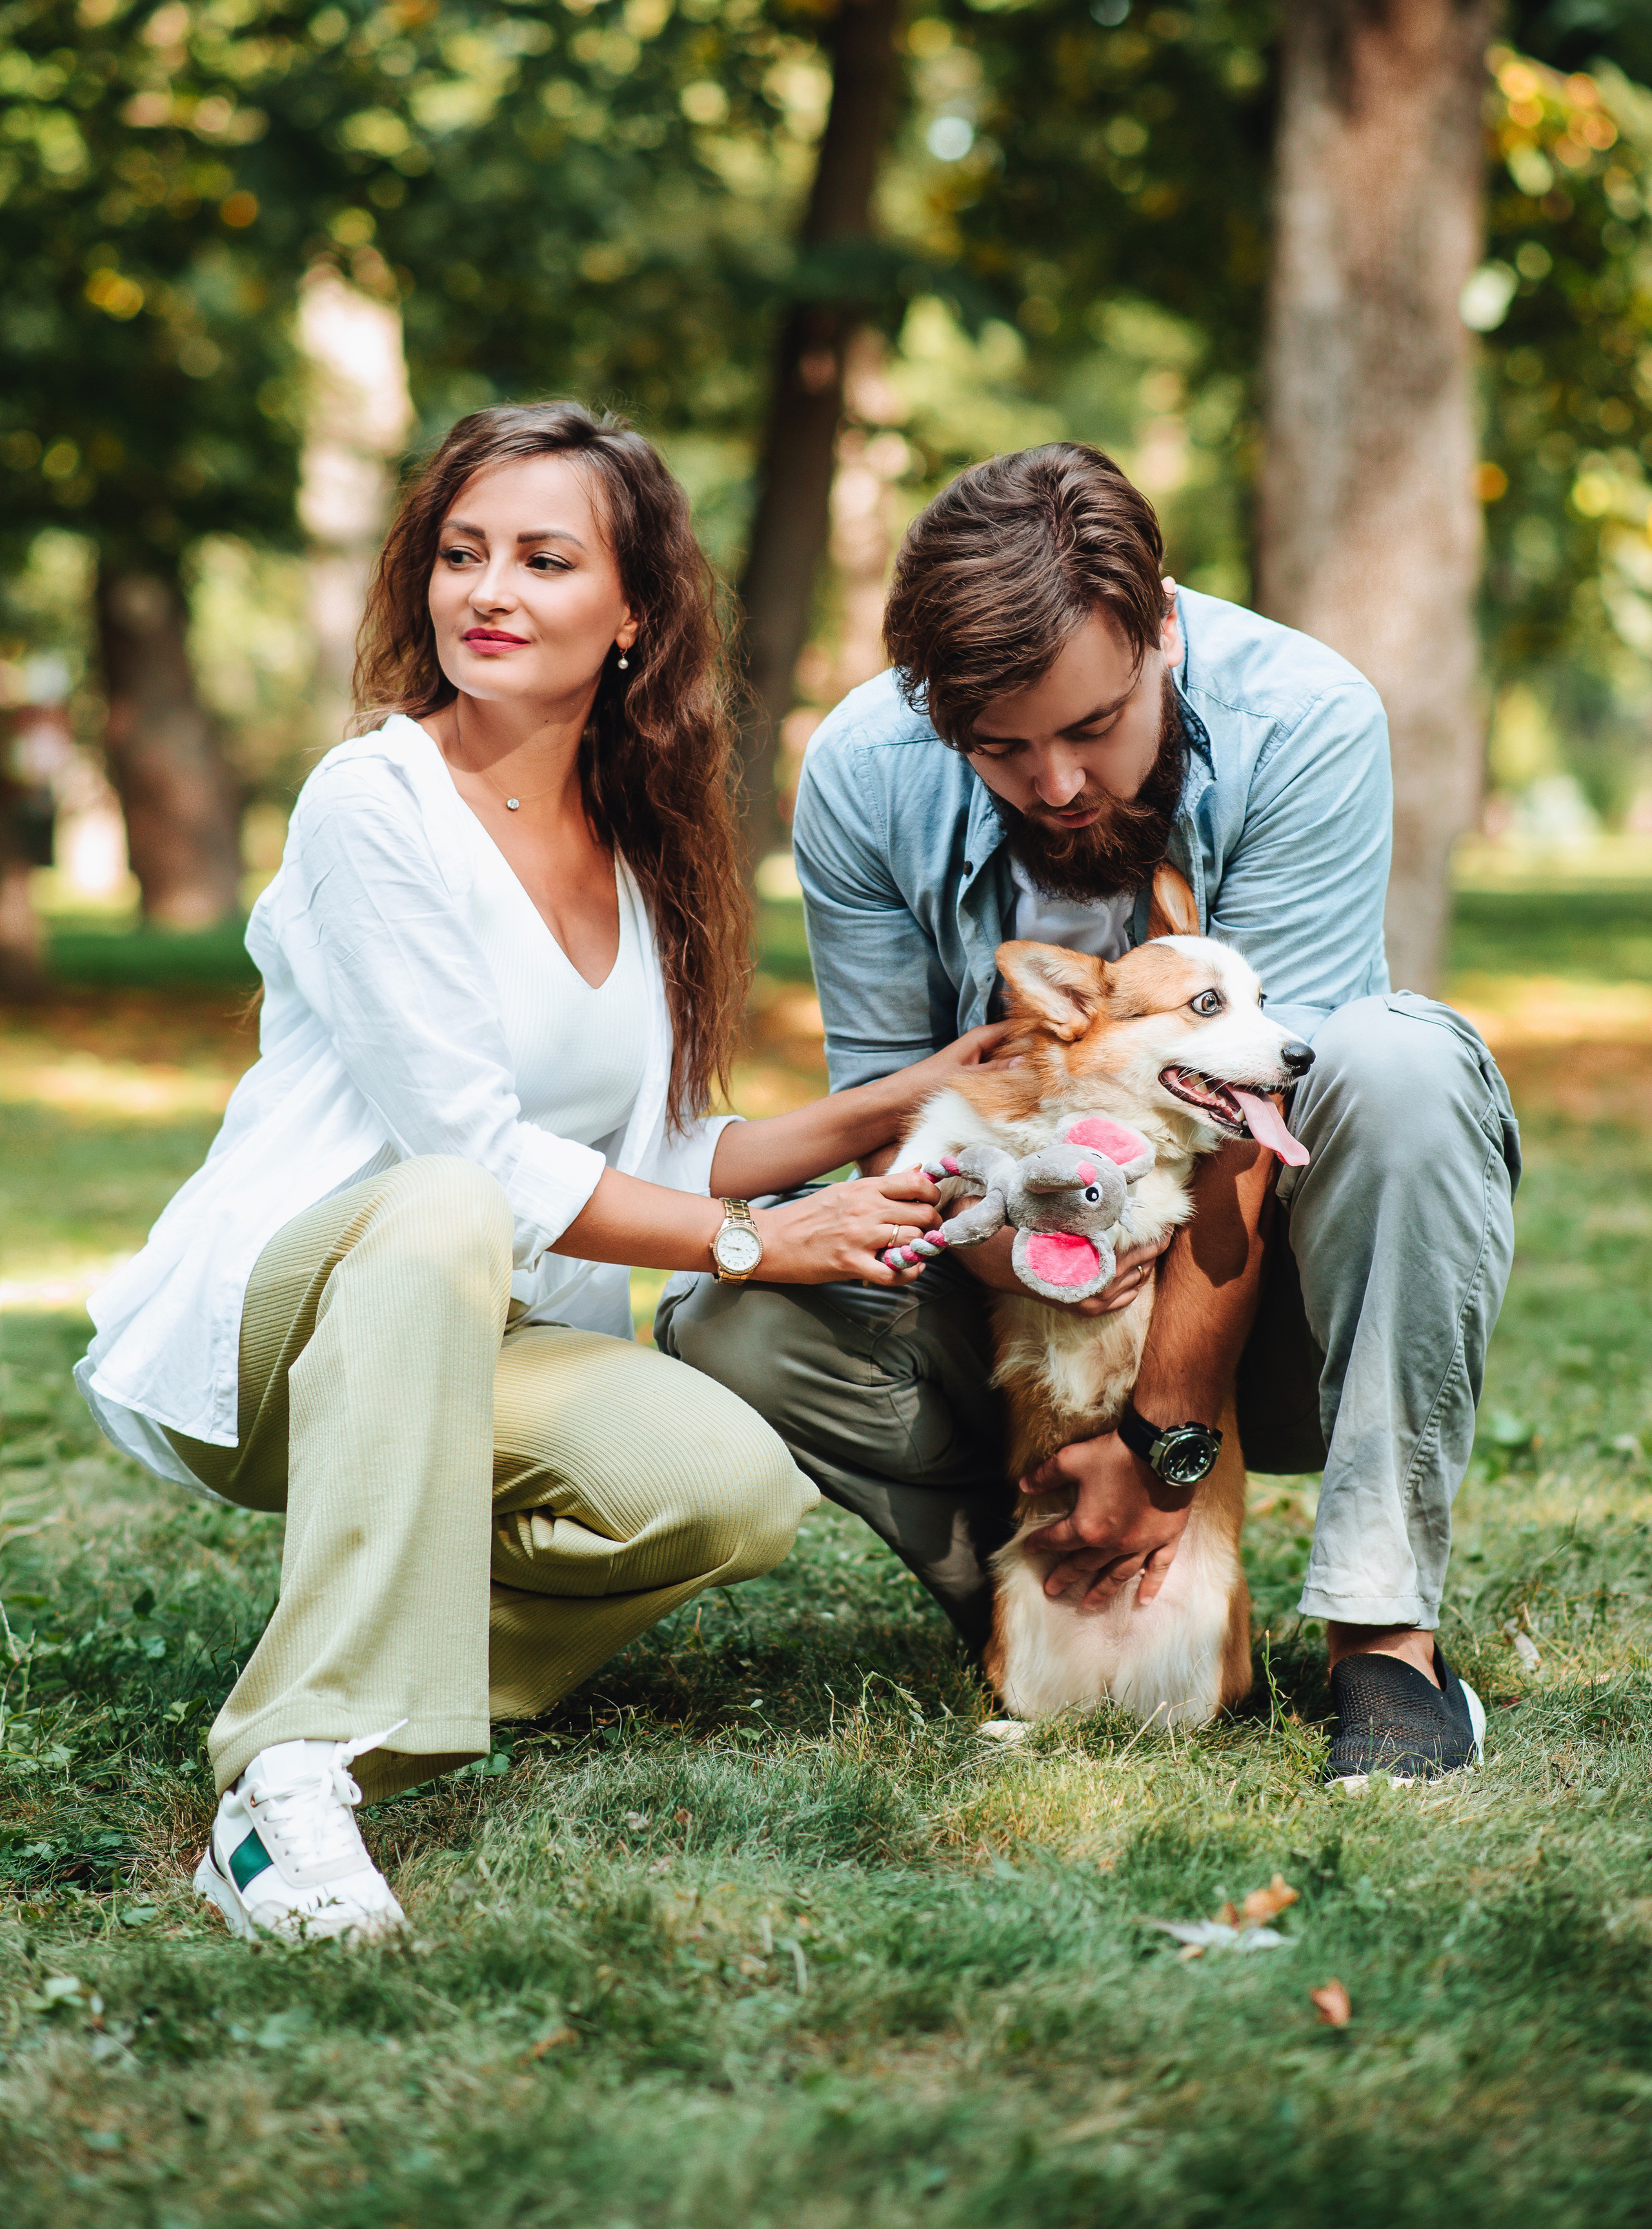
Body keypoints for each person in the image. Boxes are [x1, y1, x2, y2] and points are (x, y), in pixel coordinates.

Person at [76, 402, 992, 1944]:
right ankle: (283, 1780)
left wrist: (897, 1100)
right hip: (290, 1320)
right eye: (461, 553)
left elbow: (646, 1155)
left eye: (543, 559)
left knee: (728, 1489)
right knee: (445, 1203)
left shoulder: (636, 840)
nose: (486, 591)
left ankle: (363, 1712)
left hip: (483, 1333)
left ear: (633, 612)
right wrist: (762, 1249)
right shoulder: (376, 801)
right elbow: (476, 1161)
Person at [658, 441, 1520, 1784]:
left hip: (1271, 1308)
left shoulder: (1305, 717)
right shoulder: (864, 766)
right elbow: (897, 1111)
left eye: (1089, 727)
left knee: (1397, 1066)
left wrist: (1161, 1439)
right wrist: (1024, 1253)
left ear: (1158, 631)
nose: (1053, 784)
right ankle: (1046, 1573)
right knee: (738, 1311)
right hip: (1012, 1303)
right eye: (997, 746)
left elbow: (1257, 1116)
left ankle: (1382, 1645)